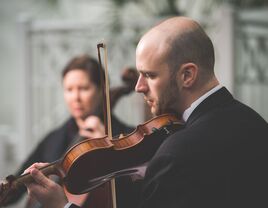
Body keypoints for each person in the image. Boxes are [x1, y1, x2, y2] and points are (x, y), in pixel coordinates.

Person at [22, 16, 268, 208]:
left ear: (187, 75)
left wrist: (60, 205)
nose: (138, 87)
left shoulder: (176, 154)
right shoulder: (256, 124)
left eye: (149, 75)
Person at [3, 54, 138, 208]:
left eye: (84, 88)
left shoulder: (126, 137)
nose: (76, 97)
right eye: (69, 89)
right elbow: (17, 186)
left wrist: (108, 152)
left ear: (102, 90)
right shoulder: (53, 139)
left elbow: (134, 194)